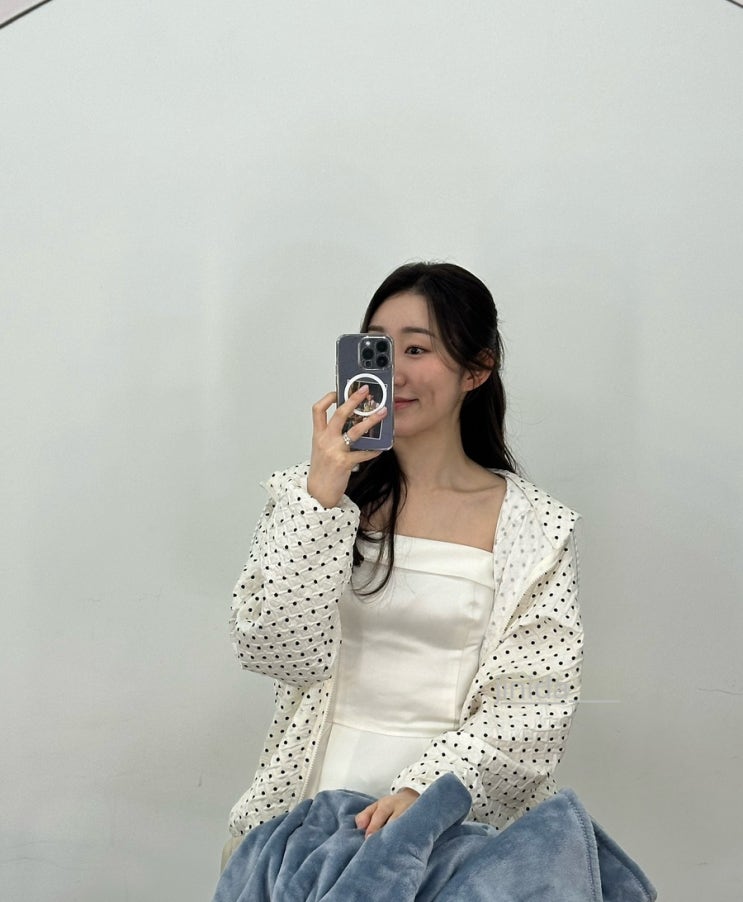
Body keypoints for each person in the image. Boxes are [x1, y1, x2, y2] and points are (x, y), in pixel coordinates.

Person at [221, 261, 583, 868]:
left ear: (477, 369)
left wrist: (426, 793)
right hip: (309, 809)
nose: (394, 372)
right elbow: (275, 652)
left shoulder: (535, 526)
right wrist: (322, 495)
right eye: (379, 349)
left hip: (455, 821)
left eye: (417, 349)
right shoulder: (311, 498)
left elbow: (532, 704)